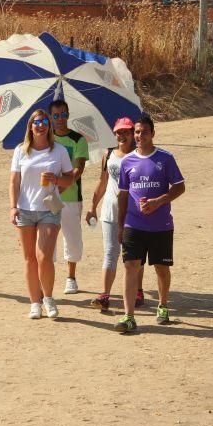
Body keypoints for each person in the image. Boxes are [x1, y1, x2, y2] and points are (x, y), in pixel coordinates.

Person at [115, 115, 186, 333]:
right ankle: (129, 316)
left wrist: (158, 202)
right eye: (137, 132)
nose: (139, 136)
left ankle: (163, 306)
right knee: (130, 267)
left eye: (144, 132)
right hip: (133, 225)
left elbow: (180, 187)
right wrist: (120, 225)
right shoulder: (127, 162)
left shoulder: (165, 158)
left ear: (152, 134)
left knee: (161, 269)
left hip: (161, 225)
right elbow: (123, 196)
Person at [9, 109, 74, 319]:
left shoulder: (59, 151)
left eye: (45, 121)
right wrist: (13, 206)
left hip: (49, 209)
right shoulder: (21, 150)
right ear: (30, 126)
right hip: (25, 210)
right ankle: (34, 303)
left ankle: (48, 297)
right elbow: (14, 181)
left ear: (49, 126)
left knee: (44, 256)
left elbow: (69, 179)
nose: (41, 125)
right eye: (37, 122)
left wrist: (56, 180)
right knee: (29, 258)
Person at [85, 117, 144, 312]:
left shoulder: (139, 155)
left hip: (133, 212)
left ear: (132, 134)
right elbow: (102, 182)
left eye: (126, 132)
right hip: (110, 210)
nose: (122, 135)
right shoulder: (109, 154)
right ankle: (104, 295)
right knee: (110, 253)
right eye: (119, 132)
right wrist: (93, 206)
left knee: (133, 255)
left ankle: (137, 290)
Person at [49, 99, 89, 295]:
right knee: (47, 238)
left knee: (72, 238)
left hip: (71, 197)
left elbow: (78, 169)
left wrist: (62, 187)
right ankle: (46, 277)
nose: (59, 119)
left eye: (63, 114)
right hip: (47, 197)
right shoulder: (45, 139)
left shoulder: (78, 139)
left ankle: (71, 277)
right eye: (55, 115)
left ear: (68, 115)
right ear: (50, 117)